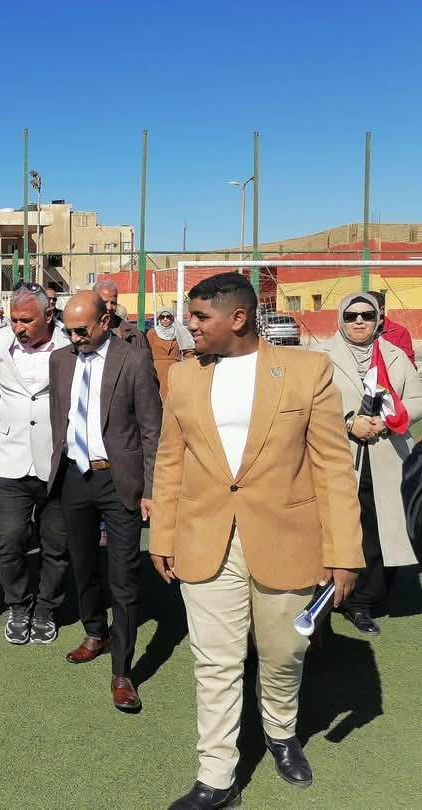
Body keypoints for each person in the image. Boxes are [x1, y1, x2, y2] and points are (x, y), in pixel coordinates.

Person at [149, 272, 363, 809]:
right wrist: (163, 535)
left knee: (283, 653)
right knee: (215, 663)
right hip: (204, 538)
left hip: (289, 539)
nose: (189, 326)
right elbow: (170, 461)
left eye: (200, 317)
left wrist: (343, 553)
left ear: (238, 318)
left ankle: (281, 731)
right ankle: (216, 776)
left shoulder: (307, 370)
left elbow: (334, 469)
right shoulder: (184, 376)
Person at [47, 290, 161, 711]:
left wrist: (151, 489)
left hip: (119, 480)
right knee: (82, 565)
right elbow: (60, 418)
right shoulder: (60, 360)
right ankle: (95, 632)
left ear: (105, 322)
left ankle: (122, 672)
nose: (74, 338)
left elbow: (152, 430)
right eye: (68, 330)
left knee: (124, 577)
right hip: (74, 477)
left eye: (81, 331)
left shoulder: (134, 360)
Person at [319, 292, 422, 636]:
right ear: (341, 319)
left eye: (367, 315)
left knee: (382, 527)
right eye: (352, 316)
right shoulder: (321, 356)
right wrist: (349, 422)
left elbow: (417, 398)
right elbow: (310, 402)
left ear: (378, 319)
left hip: (388, 456)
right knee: (349, 527)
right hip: (341, 456)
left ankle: (369, 597)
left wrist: (387, 421)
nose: (359, 321)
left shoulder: (394, 355)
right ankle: (347, 597)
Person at [0, 283, 70, 645]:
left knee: (56, 544)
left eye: (26, 320)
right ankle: (18, 606)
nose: (18, 327)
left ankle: (46, 609)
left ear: (48, 316)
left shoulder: (70, 345)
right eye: (14, 320)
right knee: (9, 539)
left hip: (57, 461)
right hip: (10, 459)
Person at [146, 307, 196, 397]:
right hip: (156, 370)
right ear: (159, 318)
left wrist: (186, 367)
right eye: (162, 317)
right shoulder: (152, 333)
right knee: (158, 395)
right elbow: (146, 352)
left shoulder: (179, 332)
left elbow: (189, 351)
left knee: (173, 394)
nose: (165, 319)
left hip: (175, 369)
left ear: (172, 318)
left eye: (168, 316)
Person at [94, 279, 150, 352]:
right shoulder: (82, 333)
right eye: (105, 302)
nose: (109, 307)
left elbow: (144, 358)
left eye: (113, 303)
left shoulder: (135, 335)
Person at [372, 290, 416, 367]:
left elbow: (408, 363)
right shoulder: (355, 329)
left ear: (381, 310)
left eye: (369, 310)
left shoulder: (399, 332)